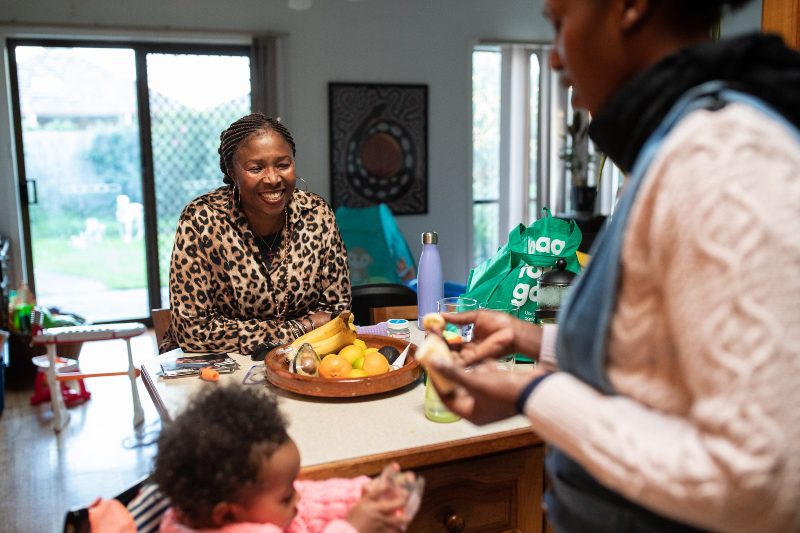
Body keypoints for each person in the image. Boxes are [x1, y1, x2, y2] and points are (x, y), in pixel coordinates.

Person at [426, 1, 800, 532]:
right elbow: (662, 364)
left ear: (630, 8)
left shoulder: (718, 160)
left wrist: (531, 393)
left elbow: (757, 483)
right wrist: (533, 341)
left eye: (560, 24)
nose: (555, 59)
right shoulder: (674, 144)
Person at [160, 114, 351, 355]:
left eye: (283, 165)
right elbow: (193, 331)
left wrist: (245, 332)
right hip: (214, 369)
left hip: (303, 361)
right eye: (256, 168)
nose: (273, 178)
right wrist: (298, 327)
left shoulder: (317, 213)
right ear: (232, 171)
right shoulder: (201, 220)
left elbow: (336, 313)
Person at [153, 385, 416, 532]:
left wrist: (360, 494)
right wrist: (352, 527)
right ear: (227, 515)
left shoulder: (203, 506)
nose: (297, 499)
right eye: (286, 497)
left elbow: (306, 499)